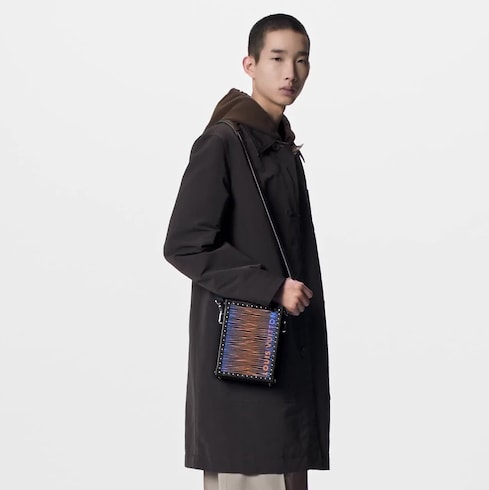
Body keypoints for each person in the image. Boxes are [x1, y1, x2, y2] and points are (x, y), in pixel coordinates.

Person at [163, 13, 330, 490]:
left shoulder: (279, 145)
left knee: (284, 466)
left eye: (301, 60)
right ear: (250, 65)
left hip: (286, 352)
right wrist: (272, 287)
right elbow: (184, 244)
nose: (290, 73)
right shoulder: (223, 142)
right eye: (277, 59)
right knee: (252, 466)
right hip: (247, 348)